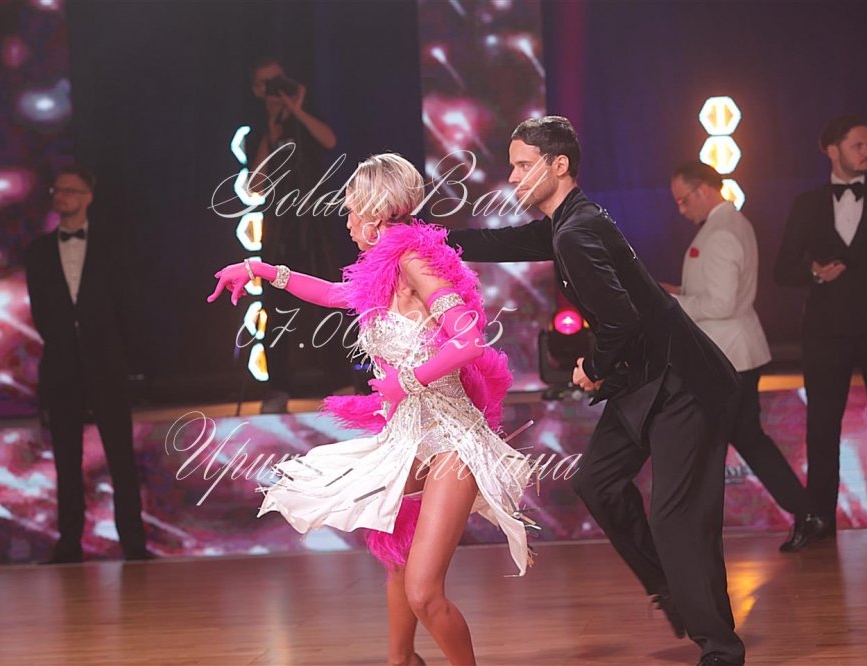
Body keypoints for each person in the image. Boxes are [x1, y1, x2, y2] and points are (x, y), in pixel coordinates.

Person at [209, 153, 532, 666]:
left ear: (375, 215)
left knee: (424, 592)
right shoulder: (383, 270)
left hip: (451, 441)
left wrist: (407, 380)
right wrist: (261, 270)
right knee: (397, 557)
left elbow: (469, 340)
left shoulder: (415, 261)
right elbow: (336, 294)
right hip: (406, 438)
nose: (346, 220)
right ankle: (401, 661)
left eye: (351, 210)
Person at [447, 117, 745, 666]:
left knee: (679, 519)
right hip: (646, 380)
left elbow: (622, 321)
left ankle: (720, 647)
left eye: (522, 165)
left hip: (684, 383)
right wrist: (427, 240)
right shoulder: (567, 222)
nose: (512, 177)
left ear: (558, 165)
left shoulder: (576, 231)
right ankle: (674, 590)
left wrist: (594, 366)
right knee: (598, 481)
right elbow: (508, 240)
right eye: (512, 165)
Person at [662, 160, 819, 552]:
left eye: (683, 200)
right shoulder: (731, 224)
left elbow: (722, 303)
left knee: (711, 443)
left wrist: (672, 303)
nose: (680, 209)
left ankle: (698, 533)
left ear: (703, 189)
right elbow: (720, 295)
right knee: (746, 438)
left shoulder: (721, 232)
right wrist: (680, 292)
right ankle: (807, 512)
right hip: (736, 353)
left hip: (728, 357)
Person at [24, 165, 151, 563]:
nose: (61, 196)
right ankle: (69, 543)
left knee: (120, 456)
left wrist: (127, 359)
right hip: (61, 364)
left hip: (106, 361)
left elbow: (126, 305)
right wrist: (62, 340)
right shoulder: (38, 252)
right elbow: (41, 310)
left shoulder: (111, 246)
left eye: (70, 190)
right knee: (66, 458)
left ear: (87, 197)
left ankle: (133, 542)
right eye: (57, 190)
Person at [774, 114, 867, 543]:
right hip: (825, 332)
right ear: (833, 151)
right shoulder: (808, 203)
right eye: (858, 145)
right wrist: (813, 272)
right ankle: (819, 519)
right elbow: (782, 269)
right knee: (822, 426)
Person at [245, 56, 345, 412]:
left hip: (315, 225)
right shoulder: (258, 131)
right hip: (280, 230)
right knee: (275, 310)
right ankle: (278, 389)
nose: (274, 88)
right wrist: (272, 131)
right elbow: (255, 184)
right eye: (267, 83)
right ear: (257, 90)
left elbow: (329, 141)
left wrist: (296, 109)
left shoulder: (306, 117)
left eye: (279, 80)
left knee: (329, 302)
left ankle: (339, 383)